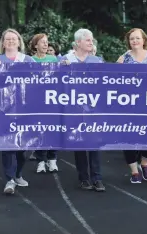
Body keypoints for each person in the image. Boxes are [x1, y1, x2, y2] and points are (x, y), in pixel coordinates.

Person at [61, 28, 105, 192]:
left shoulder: (97, 61)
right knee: (79, 144)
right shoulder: (66, 59)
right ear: (78, 42)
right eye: (88, 40)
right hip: (74, 108)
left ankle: (97, 178)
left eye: (91, 40)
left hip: (93, 108)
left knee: (94, 144)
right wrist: (61, 68)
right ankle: (83, 178)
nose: (91, 43)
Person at [0, 28, 35, 194]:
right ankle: (9, 179)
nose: (10, 41)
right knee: (8, 144)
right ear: (2, 43)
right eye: (7, 39)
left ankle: (17, 174)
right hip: (4, 111)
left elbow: (39, 79)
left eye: (13, 39)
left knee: (23, 147)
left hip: (25, 109)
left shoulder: (28, 60)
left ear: (19, 42)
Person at [117, 28, 147, 184]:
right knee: (128, 137)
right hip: (128, 104)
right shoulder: (123, 59)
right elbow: (113, 81)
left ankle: (144, 163)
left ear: (144, 40)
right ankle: (134, 171)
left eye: (137, 38)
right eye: (131, 39)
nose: (134, 41)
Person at [28, 33, 59, 173]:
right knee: (40, 131)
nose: (46, 44)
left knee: (53, 130)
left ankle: (52, 160)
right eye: (42, 42)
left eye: (47, 42)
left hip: (52, 101)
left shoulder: (53, 58)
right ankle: (41, 160)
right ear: (35, 45)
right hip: (37, 101)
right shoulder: (30, 60)